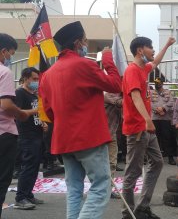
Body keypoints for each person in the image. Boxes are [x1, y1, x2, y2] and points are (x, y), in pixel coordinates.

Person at [40, 21, 122, 219]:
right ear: (77, 43)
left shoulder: (47, 74)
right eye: (85, 41)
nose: (86, 44)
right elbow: (115, 84)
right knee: (101, 186)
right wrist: (109, 58)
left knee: (74, 189)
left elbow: (49, 112)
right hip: (89, 138)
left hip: (64, 140)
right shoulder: (85, 64)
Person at [121, 36, 175, 219]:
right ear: (139, 50)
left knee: (157, 162)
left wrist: (167, 45)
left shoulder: (144, 69)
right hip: (137, 128)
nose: (153, 50)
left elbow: (156, 60)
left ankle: (142, 208)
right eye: (150, 47)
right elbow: (135, 97)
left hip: (145, 128)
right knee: (133, 172)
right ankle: (127, 213)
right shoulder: (132, 71)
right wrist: (148, 120)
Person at [0, 33, 37, 218]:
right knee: (2, 180)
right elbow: (6, 105)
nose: (10, 58)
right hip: (5, 134)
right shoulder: (4, 72)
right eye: (11, 53)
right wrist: (22, 114)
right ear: (4, 51)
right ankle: (22, 196)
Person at [14, 67, 46, 210]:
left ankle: (28, 194)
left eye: (37, 79)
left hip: (37, 134)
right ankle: (20, 198)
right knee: (27, 167)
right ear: (25, 78)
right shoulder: (19, 93)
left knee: (34, 167)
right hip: (26, 136)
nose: (36, 82)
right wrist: (35, 111)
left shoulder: (33, 95)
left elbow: (36, 114)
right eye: (34, 79)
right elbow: (18, 114)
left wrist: (42, 122)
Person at [151, 77, 176, 165]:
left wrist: (163, 109)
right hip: (155, 118)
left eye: (159, 82)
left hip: (165, 118)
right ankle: (154, 159)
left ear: (162, 83)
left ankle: (170, 157)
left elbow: (171, 102)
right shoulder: (151, 92)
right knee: (154, 138)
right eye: (155, 83)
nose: (157, 84)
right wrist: (157, 110)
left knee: (167, 138)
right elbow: (149, 103)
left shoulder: (167, 92)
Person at [104, 92, 123, 199]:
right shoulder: (108, 95)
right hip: (101, 135)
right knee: (99, 164)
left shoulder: (121, 95)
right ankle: (98, 190)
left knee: (112, 163)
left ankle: (108, 190)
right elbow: (119, 102)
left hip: (112, 134)